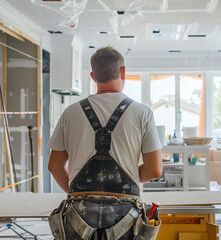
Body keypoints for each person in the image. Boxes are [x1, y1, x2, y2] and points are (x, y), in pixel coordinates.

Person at [47, 46, 163, 240]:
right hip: (126, 217)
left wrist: (78, 190)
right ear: (123, 72)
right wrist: (129, 176)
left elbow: (54, 165)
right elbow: (154, 170)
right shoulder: (143, 113)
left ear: (93, 76)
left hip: (78, 217)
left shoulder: (70, 112)